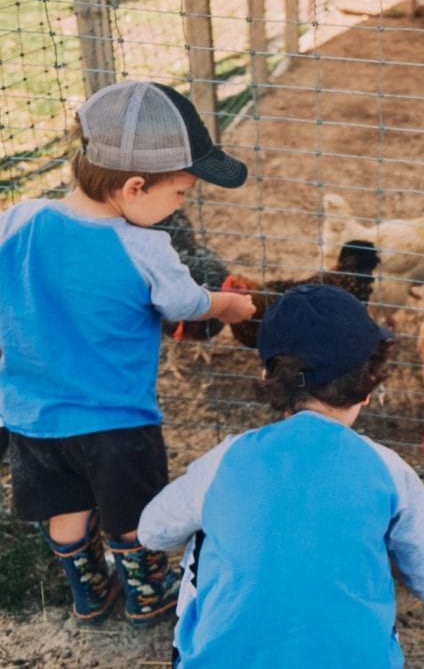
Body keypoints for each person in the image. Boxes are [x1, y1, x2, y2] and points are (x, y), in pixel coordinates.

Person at [0, 80, 256, 626]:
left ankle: (90, 594)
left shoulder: (20, 219)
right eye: (181, 194)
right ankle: (148, 593)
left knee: (64, 511)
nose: (179, 207)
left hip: (32, 416)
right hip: (116, 422)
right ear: (135, 186)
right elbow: (185, 302)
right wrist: (229, 306)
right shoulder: (144, 246)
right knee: (133, 517)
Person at [138, 283, 424, 667]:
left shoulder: (225, 459)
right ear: (368, 385)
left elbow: (151, 531)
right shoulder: (390, 471)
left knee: (203, 533)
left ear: (267, 375)